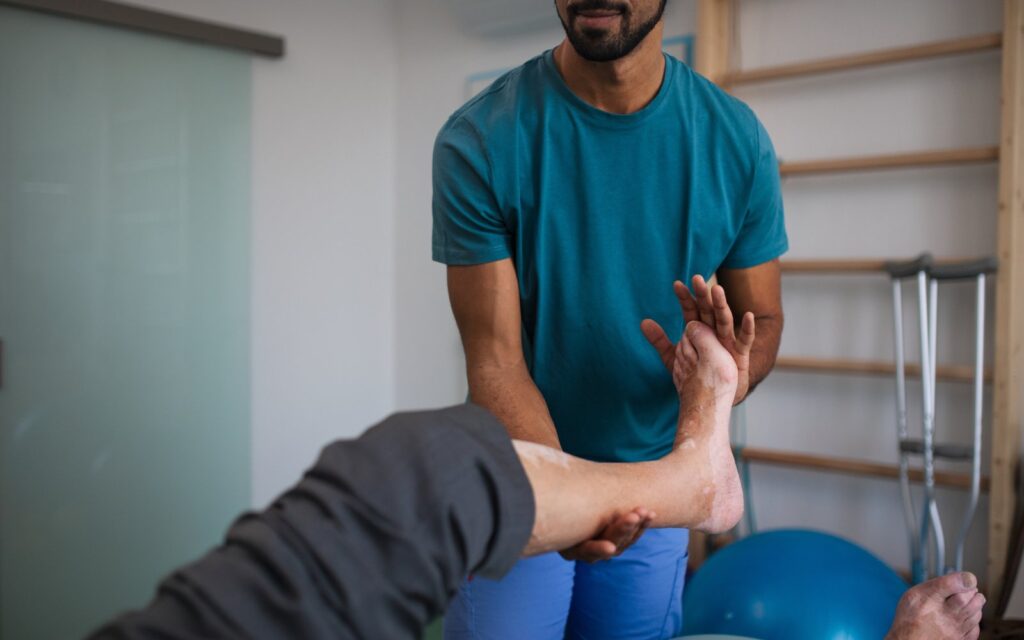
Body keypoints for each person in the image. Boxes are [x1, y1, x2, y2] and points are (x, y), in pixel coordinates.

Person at [91, 324, 983, 640]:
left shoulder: (723, 139)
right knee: (427, 471)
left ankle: (685, 477)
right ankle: (688, 476)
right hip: (585, 463)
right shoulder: (491, 135)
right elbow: (494, 351)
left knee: (429, 467)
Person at [431, 0, 787, 635]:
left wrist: (722, 381)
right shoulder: (482, 137)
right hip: (524, 479)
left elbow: (763, 315)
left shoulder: (736, 140)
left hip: (655, 486)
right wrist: (572, 503)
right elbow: (495, 361)